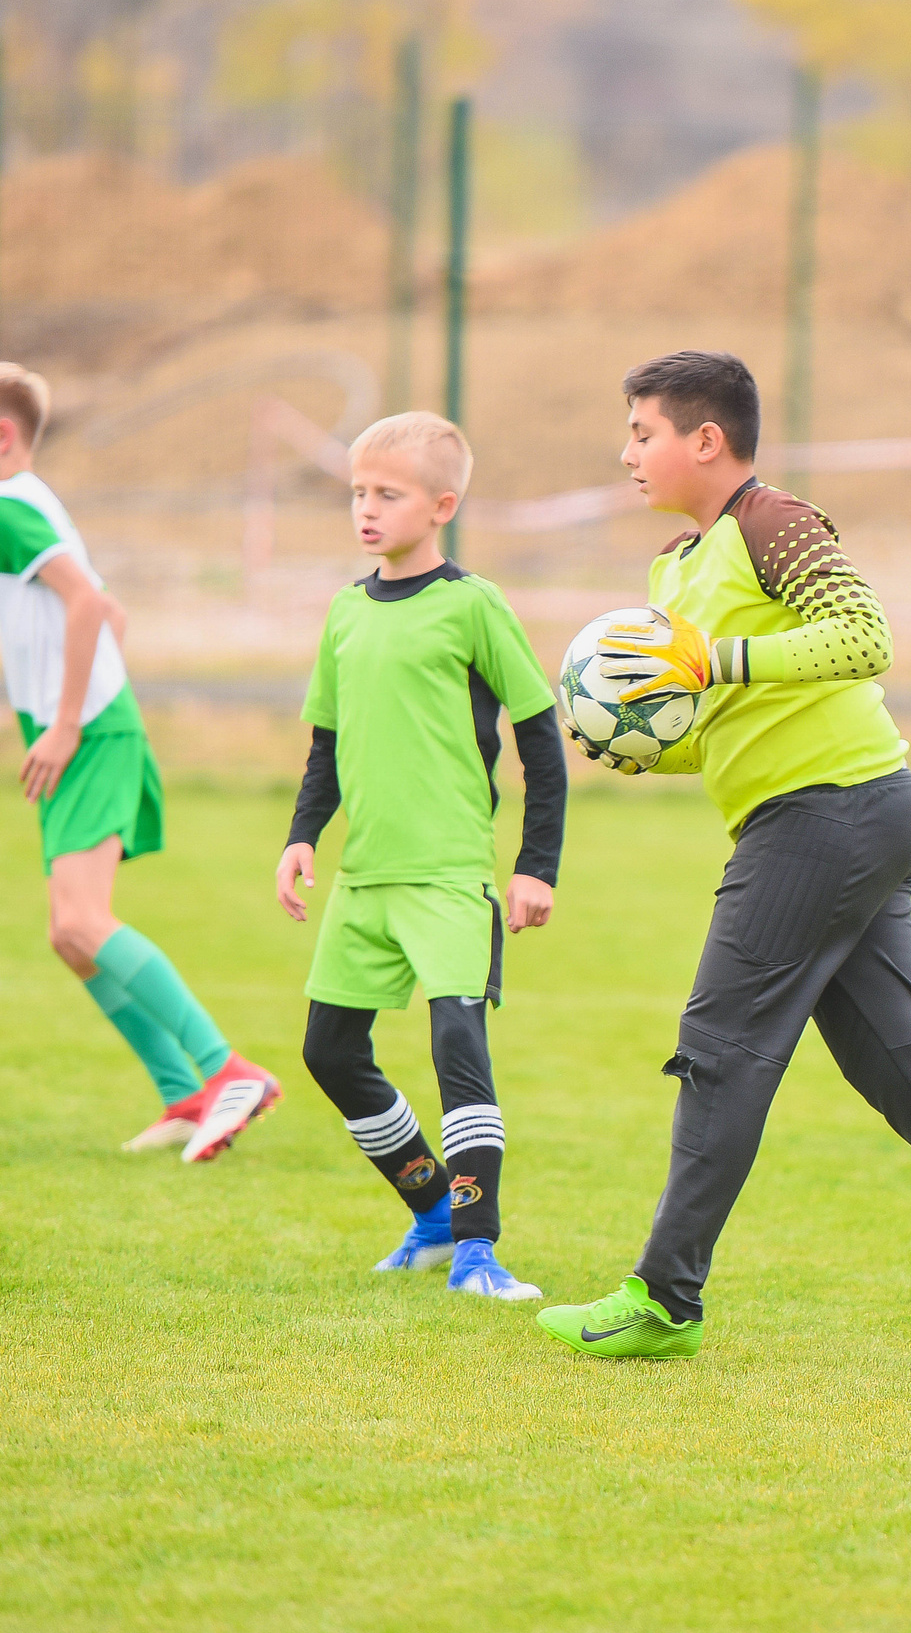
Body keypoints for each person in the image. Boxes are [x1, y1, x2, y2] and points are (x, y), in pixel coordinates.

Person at [533, 349, 911, 1362]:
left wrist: (722, 658)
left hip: (829, 816)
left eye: (641, 431)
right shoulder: (676, 565)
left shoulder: (772, 521)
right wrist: (641, 746)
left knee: (721, 1047)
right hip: (837, 814)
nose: (626, 451)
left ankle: (665, 1297)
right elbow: (724, 725)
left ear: (704, 439)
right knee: (903, 1066)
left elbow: (864, 635)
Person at [0, 362, 281, 1161]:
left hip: (86, 736)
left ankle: (232, 1069)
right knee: (69, 933)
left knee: (85, 921)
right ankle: (183, 1093)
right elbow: (108, 611)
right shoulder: (30, 501)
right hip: (96, 727)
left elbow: (90, 607)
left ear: (1, 436)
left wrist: (64, 722)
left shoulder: (6, 505)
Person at [275, 411, 566, 1301]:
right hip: (366, 876)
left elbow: (541, 739)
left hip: (449, 874)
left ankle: (479, 1250)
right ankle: (434, 1210)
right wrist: (300, 835)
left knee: (457, 1046)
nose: (366, 509)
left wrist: (535, 864)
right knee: (329, 1051)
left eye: (387, 494)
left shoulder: (472, 605)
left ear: (440, 506)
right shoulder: (344, 610)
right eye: (358, 492)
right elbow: (328, 742)